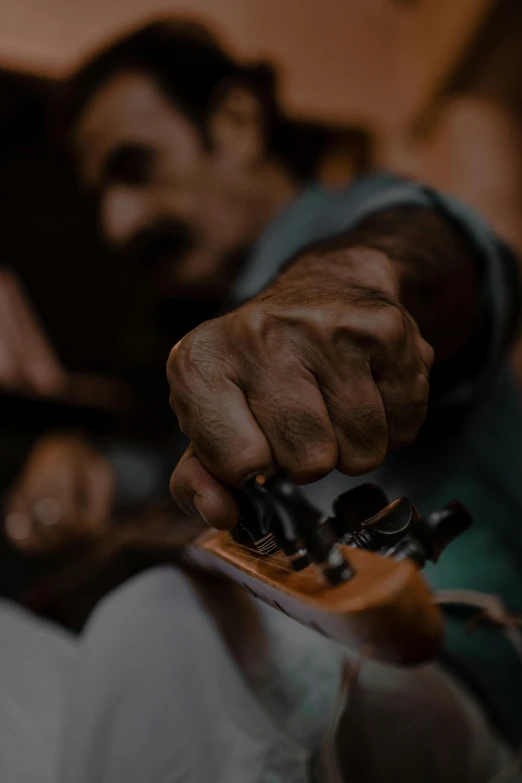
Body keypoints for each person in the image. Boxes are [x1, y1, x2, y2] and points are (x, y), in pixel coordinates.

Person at [2, 18, 522, 783]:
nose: (119, 223)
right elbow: (191, 476)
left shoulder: (365, 219)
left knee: (158, 625)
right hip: (292, 687)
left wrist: (347, 280)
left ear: (237, 123)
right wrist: (91, 468)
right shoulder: (212, 333)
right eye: (102, 194)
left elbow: (448, 261)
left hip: (460, 679)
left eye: (136, 168)